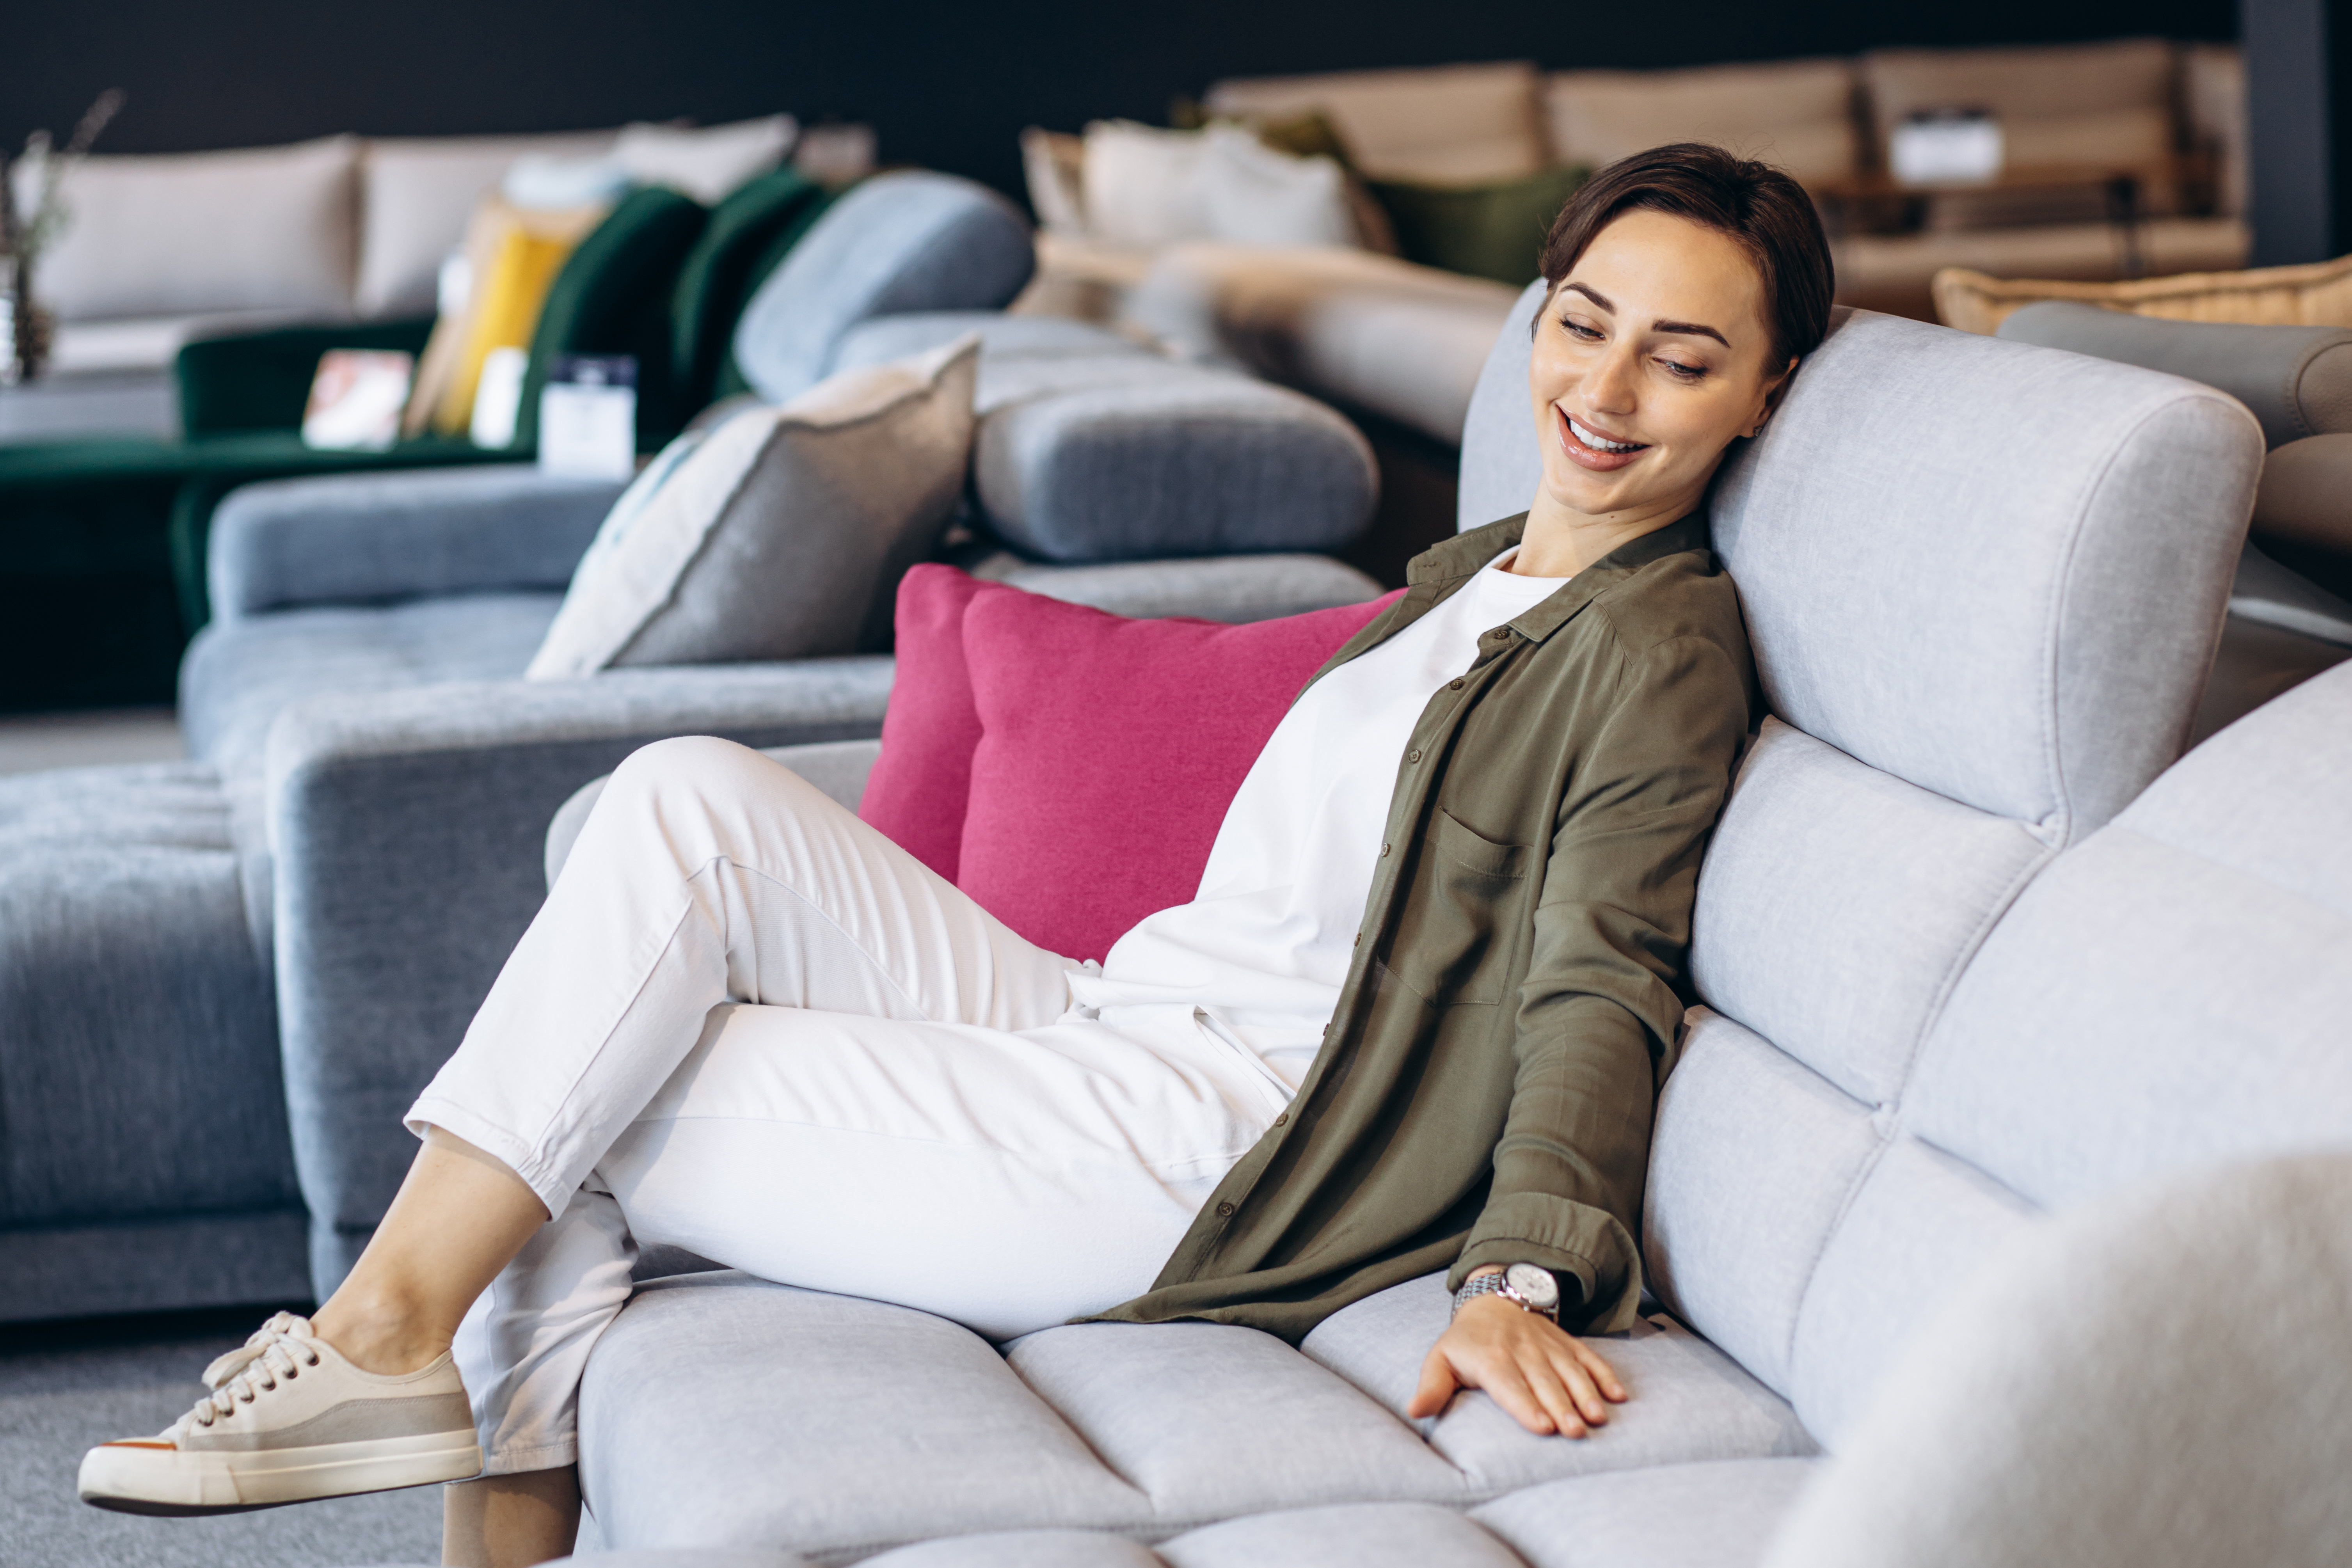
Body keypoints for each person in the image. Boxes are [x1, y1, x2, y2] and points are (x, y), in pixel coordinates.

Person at [79, 142, 1832, 1566]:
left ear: (1762, 393)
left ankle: (389, 1349)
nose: (1605, 390)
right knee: (680, 796)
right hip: (1101, 1016)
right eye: (1583, 324)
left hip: (1206, 1148)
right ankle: (388, 1340)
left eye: (1680, 360)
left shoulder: (1658, 646)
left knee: (566, 1107)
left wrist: (1522, 1268)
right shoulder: (1475, 575)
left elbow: (1604, 960)